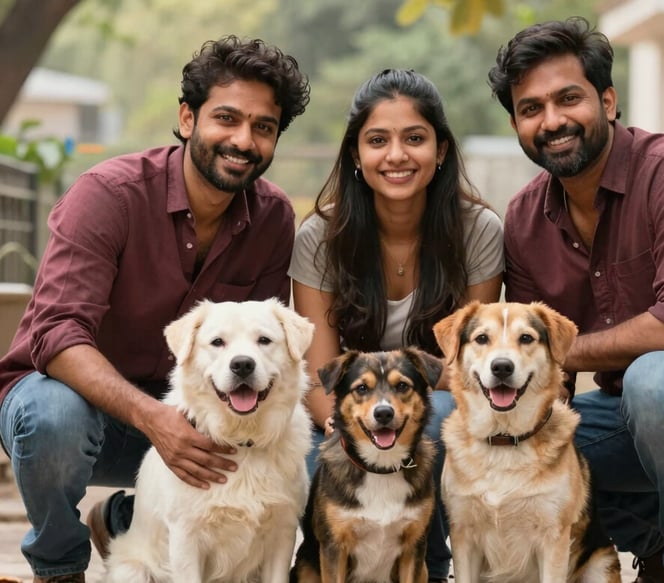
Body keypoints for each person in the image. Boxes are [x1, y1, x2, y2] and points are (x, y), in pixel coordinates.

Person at [0, 35, 310, 583]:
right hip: (83, 415)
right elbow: (56, 333)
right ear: (188, 118)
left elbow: (257, 347)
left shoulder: (273, 218)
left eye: (264, 127)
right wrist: (154, 418)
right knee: (53, 418)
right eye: (227, 118)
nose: (244, 140)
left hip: (196, 418)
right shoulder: (109, 194)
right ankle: (60, 565)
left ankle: (128, 519)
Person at [489, 16, 664, 583]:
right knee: (518, 442)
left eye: (569, 98)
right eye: (531, 108)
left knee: (657, 377)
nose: (552, 121)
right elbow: (539, 370)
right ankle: (657, 544)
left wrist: (560, 354)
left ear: (608, 100)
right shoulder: (523, 217)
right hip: (631, 416)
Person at [289, 68, 503, 582]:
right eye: (377, 140)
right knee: (317, 460)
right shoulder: (321, 236)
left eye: (415, 138)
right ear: (356, 155)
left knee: (436, 415)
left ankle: (430, 565)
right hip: (348, 418)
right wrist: (353, 436)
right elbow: (319, 376)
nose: (397, 155)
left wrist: (401, 408)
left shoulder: (478, 230)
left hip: (428, 407)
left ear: (442, 150)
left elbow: (466, 369)